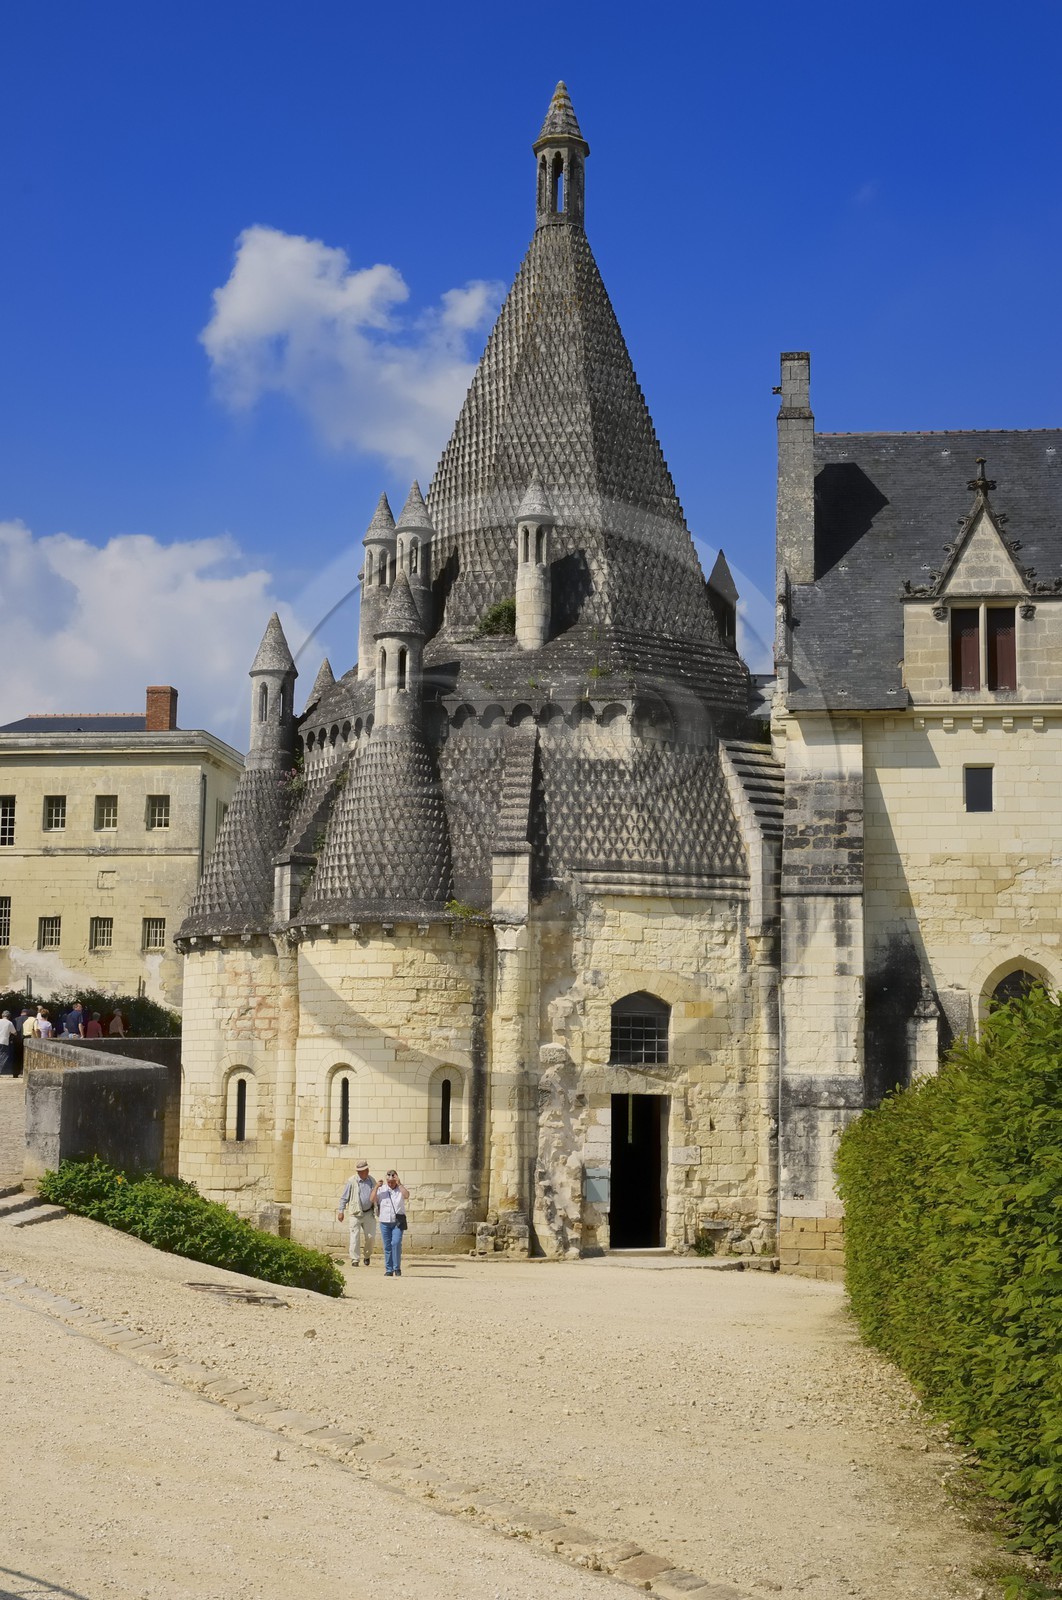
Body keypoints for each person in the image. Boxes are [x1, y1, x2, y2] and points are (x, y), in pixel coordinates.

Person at [336, 1160, 377, 1268]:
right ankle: (355, 1259)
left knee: (371, 1237)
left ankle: (367, 1255)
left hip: (369, 1213)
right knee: (354, 1237)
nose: (362, 1172)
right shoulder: (351, 1181)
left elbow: (377, 1196)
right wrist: (341, 1211)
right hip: (355, 1213)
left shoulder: (372, 1181)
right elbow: (344, 1197)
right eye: (359, 1171)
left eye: (363, 1170)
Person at [372, 1169, 409, 1278]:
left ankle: (397, 1268)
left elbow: (406, 1195)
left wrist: (400, 1183)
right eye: (389, 1182)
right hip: (384, 1221)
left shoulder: (400, 1190)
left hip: (397, 1221)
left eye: (392, 1181)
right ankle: (389, 1269)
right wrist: (376, 1187)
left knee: (396, 1243)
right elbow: (372, 1199)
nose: (391, 1183)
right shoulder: (382, 1189)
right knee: (387, 1246)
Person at [0, 1011, 15, 1076]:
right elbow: (14, 1032)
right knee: (3, 1056)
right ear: (9, 1017)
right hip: (4, 1041)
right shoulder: (9, 1023)